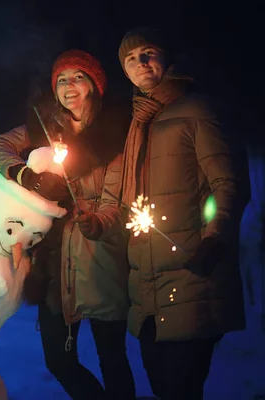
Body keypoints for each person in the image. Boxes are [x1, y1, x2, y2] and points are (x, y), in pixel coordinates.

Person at [0, 49, 135, 400]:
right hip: (55, 266)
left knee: (112, 358)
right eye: (62, 80)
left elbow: (115, 200)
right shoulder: (44, 130)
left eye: (78, 77)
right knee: (58, 360)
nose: (69, 86)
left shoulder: (113, 134)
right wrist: (26, 175)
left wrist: (97, 221)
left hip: (100, 261)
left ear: (94, 85)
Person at [117, 26, 251, 399]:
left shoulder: (199, 110)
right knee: (163, 389)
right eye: (130, 58)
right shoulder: (138, 122)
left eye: (148, 52)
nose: (141, 62)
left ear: (166, 58)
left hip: (193, 275)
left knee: (181, 390)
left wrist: (214, 240)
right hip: (148, 289)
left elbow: (230, 183)